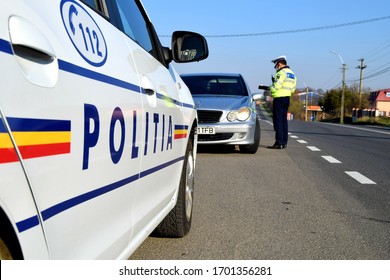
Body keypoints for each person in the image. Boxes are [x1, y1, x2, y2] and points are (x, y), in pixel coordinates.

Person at [267, 55, 297, 149]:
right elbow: (292, 89)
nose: (276, 67)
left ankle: (278, 143)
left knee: (278, 121)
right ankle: (284, 142)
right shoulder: (292, 74)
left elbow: (276, 86)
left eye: (276, 65)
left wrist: (270, 88)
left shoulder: (281, 73)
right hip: (287, 98)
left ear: (279, 64)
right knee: (284, 121)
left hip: (279, 98)